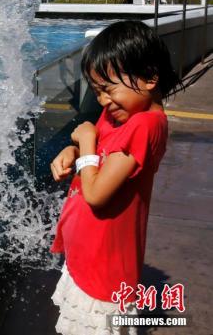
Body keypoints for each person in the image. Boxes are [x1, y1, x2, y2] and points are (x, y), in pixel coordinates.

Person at [49, 21, 182, 335]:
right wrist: (73, 149)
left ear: (150, 77)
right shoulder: (121, 113)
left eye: (108, 89)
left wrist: (84, 143)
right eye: (97, 92)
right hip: (88, 252)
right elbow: (98, 145)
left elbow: (96, 193)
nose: (102, 101)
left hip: (105, 264)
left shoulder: (146, 124)